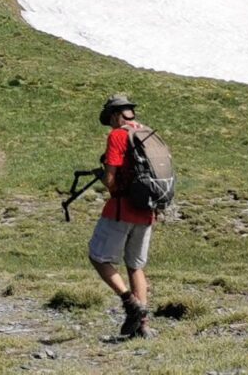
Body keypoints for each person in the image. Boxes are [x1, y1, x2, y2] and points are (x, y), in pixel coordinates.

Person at [87, 94, 158, 338]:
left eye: (110, 119)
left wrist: (106, 177)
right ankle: (143, 326)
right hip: (147, 210)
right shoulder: (146, 134)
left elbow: (110, 180)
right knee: (136, 266)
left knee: (98, 257)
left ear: (116, 115)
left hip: (121, 209)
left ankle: (131, 304)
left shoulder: (117, 135)